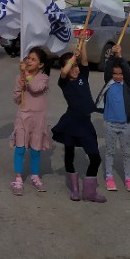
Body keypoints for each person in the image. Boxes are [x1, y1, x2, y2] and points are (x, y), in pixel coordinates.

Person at [51, 44, 106, 203]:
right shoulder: (64, 82)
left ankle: (89, 192)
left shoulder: (83, 77)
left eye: (77, 66)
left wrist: (83, 44)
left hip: (85, 123)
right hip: (71, 121)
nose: (76, 69)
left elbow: (85, 60)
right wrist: (73, 57)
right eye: (73, 66)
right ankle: (74, 189)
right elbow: (63, 72)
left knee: (95, 158)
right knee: (69, 154)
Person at [95, 44, 130, 192]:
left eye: (120, 74)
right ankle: (109, 176)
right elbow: (108, 69)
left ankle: (128, 178)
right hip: (110, 124)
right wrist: (113, 56)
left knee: (126, 153)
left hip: (125, 125)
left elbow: (126, 70)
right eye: (115, 73)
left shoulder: (127, 84)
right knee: (110, 152)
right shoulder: (109, 82)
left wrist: (120, 56)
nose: (118, 76)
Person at [10, 47, 51, 196]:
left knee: (35, 149)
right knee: (20, 148)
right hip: (23, 117)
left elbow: (35, 88)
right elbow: (15, 99)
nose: (29, 61)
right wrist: (20, 87)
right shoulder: (20, 77)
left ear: (41, 65)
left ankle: (35, 176)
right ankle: (18, 179)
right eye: (28, 58)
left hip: (38, 118)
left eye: (33, 59)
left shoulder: (43, 78)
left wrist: (26, 76)